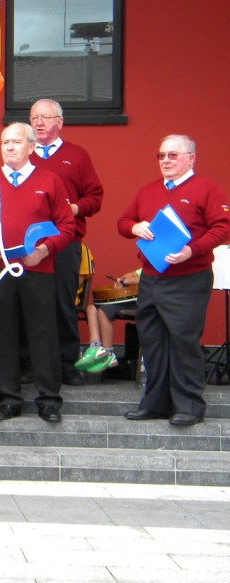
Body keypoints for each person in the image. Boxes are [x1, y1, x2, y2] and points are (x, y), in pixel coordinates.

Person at [118, 134, 230, 426]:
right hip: (152, 278)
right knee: (152, 341)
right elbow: (122, 223)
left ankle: (189, 406)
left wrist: (191, 250)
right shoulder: (147, 191)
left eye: (172, 155)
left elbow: (223, 228)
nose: (165, 161)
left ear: (190, 158)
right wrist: (135, 227)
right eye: (161, 156)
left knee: (183, 342)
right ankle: (155, 403)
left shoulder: (206, 189)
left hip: (189, 277)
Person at [0, 123, 75, 423]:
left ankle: (48, 399)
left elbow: (66, 225)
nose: (8, 147)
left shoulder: (50, 180)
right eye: (4, 141)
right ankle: (7, 399)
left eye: (15, 142)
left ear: (31, 147)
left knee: (42, 334)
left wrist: (44, 251)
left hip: (37, 267)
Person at [28, 99, 104, 386]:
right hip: (30, 245)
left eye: (45, 118)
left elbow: (95, 197)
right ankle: (29, 363)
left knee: (63, 304)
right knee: (32, 303)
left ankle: (66, 363)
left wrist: (73, 209)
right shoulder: (23, 155)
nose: (39, 123)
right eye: (34, 117)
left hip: (65, 242)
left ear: (60, 122)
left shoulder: (77, 156)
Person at [79, 269, 140, 372]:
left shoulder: (160, 267)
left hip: (145, 303)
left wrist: (125, 282)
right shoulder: (147, 265)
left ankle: (107, 353)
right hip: (131, 300)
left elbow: (147, 279)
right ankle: (97, 347)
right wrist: (123, 279)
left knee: (102, 310)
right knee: (93, 309)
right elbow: (133, 274)